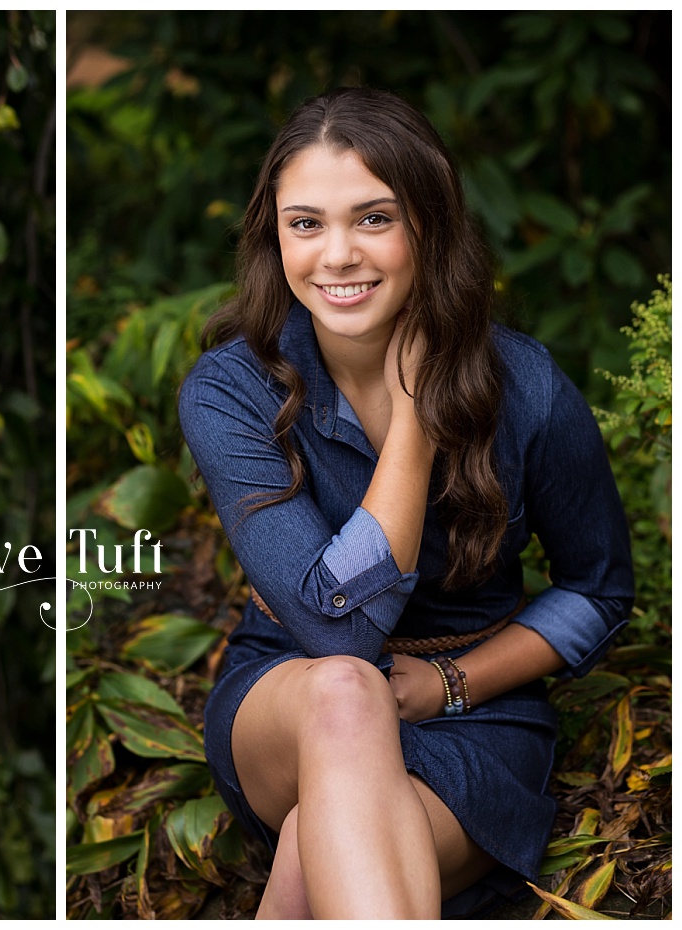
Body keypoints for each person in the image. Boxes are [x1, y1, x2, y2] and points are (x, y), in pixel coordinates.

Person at [177, 87, 633, 919]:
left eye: (374, 219)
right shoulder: (233, 389)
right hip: (294, 696)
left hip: (476, 722)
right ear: (274, 234)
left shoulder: (525, 387)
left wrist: (452, 682)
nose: (337, 254)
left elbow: (599, 589)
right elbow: (339, 629)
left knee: (317, 864)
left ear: (429, 224)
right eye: (306, 223)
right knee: (346, 687)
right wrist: (416, 424)